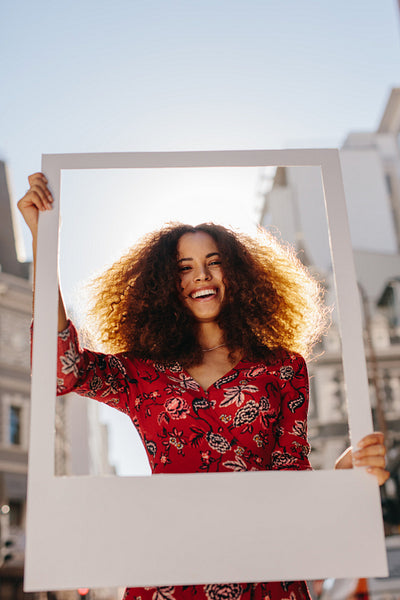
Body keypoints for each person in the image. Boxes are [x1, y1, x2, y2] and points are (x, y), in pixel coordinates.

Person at [19, 172, 389, 600]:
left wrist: (349, 472)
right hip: (170, 571)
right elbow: (61, 371)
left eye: (215, 262)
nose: (202, 276)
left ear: (238, 275)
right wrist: (44, 247)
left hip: (264, 571)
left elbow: (291, 478)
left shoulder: (283, 367)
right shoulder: (142, 372)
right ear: (164, 286)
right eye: (184, 268)